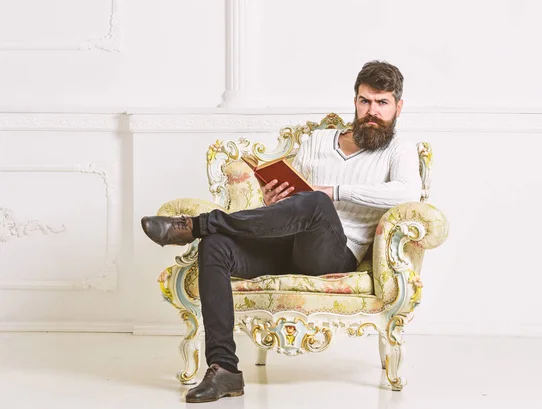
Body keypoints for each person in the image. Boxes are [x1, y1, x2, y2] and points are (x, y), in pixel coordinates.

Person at [141, 60, 422, 403]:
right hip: (286, 240)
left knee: (317, 202)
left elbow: (407, 193)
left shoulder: (399, 150)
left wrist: (333, 192)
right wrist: (272, 198)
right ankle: (225, 369)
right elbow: (295, 199)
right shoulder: (319, 141)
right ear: (355, 101)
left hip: (334, 252)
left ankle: (198, 224)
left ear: (398, 107)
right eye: (365, 101)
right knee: (215, 247)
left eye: (382, 103)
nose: (372, 112)